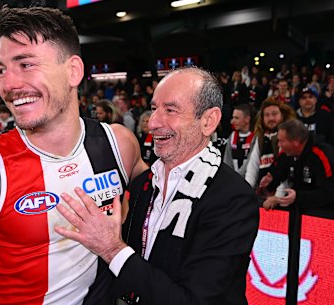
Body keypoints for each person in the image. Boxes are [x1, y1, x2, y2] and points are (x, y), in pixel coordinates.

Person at [0, 6, 147, 305]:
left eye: (25, 64)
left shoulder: (119, 145)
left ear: (73, 71)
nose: (8, 85)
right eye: (0, 70)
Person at [56, 67, 260, 305]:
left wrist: (112, 249)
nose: (153, 123)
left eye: (170, 110)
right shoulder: (144, 184)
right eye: (154, 109)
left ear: (208, 121)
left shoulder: (233, 198)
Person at [259, 119, 334, 211]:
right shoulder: (287, 152)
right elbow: (278, 170)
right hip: (298, 203)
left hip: (327, 208)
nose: (279, 145)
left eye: (281, 141)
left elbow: (328, 194)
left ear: (296, 141)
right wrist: (271, 179)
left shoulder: (322, 155)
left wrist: (297, 197)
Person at [245, 98, 296, 189]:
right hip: (263, 192)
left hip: (283, 194)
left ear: (282, 115)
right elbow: (253, 166)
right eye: (267, 115)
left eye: (274, 114)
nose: (271, 118)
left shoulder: (289, 135)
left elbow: (286, 169)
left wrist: (278, 197)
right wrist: (246, 190)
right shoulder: (260, 138)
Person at [223, 103, 254, 177]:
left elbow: (252, 161)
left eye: (236, 118)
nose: (232, 121)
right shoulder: (232, 136)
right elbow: (227, 161)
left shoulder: (255, 137)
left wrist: (238, 176)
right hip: (232, 180)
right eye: (233, 117)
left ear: (247, 119)